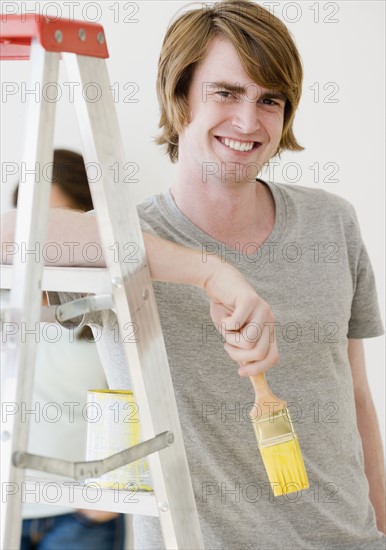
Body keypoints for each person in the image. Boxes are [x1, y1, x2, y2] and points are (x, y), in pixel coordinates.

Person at [1, 1, 385, 548]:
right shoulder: (124, 241)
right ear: (179, 100)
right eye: (226, 93)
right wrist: (209, 271)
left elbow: (358, 398)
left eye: (269, 100)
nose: (249, 122)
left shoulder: (332, 222)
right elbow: (13, 233)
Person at [14, 150, 126, 550]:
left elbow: (145, 404)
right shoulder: (8, 305)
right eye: (26, 219)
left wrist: (106, 500)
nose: (38, 234)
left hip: (81, 515)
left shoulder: (111, 308)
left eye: (55, 220)